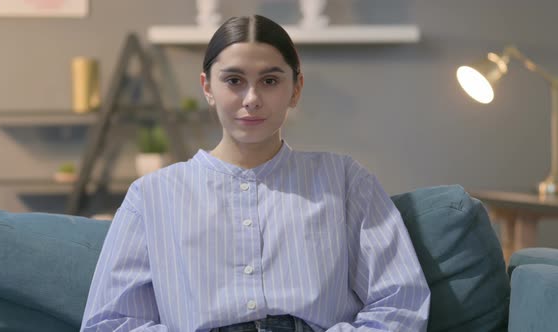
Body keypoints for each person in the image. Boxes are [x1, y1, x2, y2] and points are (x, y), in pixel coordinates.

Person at [80, 14, 430, 332]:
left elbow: (401, 302)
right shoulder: (151, 196)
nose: (251, 98)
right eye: (233, 80)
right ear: (207, 87)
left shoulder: (346, 180)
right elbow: (109, 323)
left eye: (270, 81)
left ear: (295, 88)